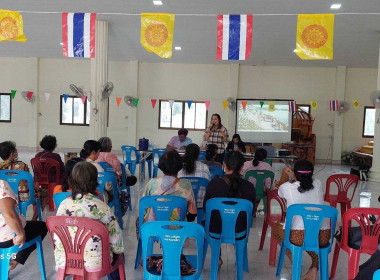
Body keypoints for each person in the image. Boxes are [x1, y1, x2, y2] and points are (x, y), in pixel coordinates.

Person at [55, 162, 124, 279]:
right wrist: (117, 251)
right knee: (120, 255)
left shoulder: (63, 205)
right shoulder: (102, 208)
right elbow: (116, 242)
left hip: (66, 260)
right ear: (95, 182)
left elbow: (57, 235)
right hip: (95, 262)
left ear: (71, 181)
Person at [273, 160, 331, 280]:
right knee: (312, 242)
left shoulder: (287, 187)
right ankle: (315, 266)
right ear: (312, 173)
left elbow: (279, 188)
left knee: (276, 229)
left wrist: (285, 174)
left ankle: (296, 260)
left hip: (297, 236)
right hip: (323, 235)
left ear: (293, 174)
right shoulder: (319, 184)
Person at [203, 151, 256, 269]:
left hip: (215, 230)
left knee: (208, 222)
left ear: (224, 165)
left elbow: (207, 209)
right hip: (240, 230)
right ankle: (240, 256)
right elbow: (252, 212)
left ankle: (218, 257)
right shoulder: (249, 186)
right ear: (242, 167)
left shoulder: (214, 183)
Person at [0, 179, 48, 278]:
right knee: (42, 227)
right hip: (7, 238)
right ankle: (14, 262)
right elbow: (9, 215)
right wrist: (20, 234)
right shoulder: (1, 185)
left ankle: (4, 270)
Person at [142, 150, 197, 223]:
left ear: (161, 165)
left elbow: (144, 205)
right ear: (180, 166)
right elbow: (192, 214)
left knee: (138, 221)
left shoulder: (152, 182)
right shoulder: (186, 184)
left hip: (153, 227)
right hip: (177, 228)